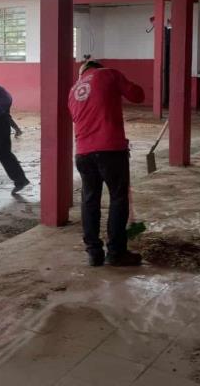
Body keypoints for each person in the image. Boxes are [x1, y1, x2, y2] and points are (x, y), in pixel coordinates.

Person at [68, 60, 145, 267]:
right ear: (98, 67)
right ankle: (116, 252)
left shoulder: (73, 90)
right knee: (118, 198)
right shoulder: (108, 74)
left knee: (89, 200)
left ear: (82, 73)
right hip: (110, 149)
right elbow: (138, 96)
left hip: (83, 153)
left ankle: (93, 253)